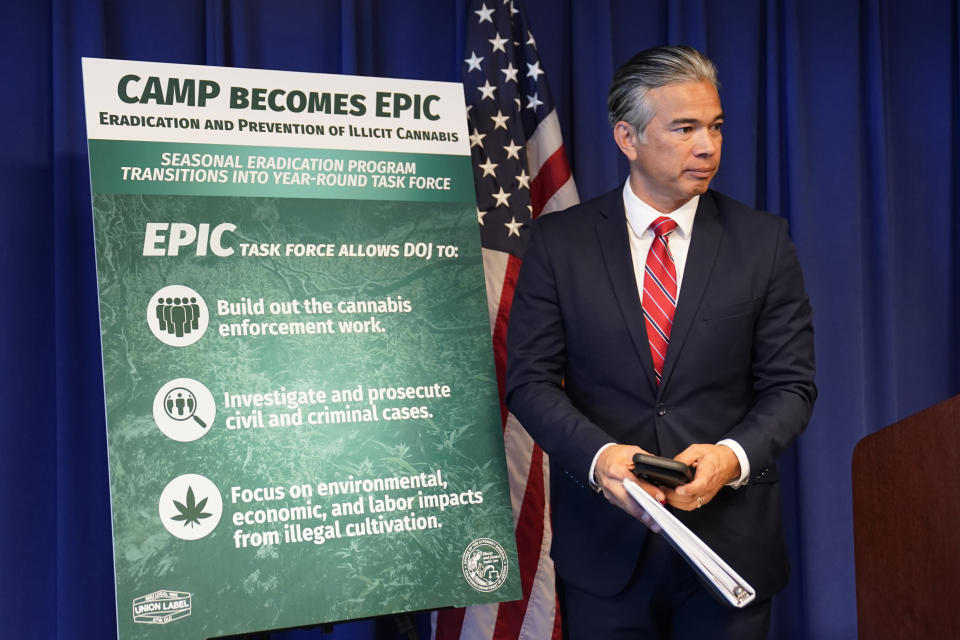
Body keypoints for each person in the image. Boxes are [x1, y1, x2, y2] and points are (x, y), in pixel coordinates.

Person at [504, 45, 816, 639]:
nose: (708, 146)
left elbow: (791, 385)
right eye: (685, 128)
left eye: (716, 127)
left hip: (730, 550)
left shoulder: (763, 242)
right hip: (606, 555)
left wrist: (731, 458)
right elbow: (530, 381)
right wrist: (602, 460)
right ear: (628, 137)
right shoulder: (559, 244)